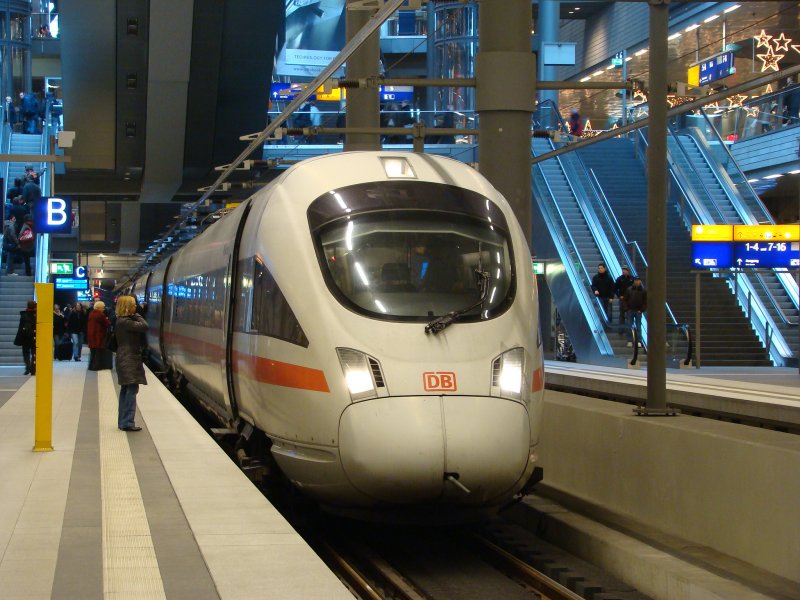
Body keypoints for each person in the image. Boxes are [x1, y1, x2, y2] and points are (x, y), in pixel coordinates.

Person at [114, 295, 149, 432]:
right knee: (131, 390)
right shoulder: (126, 322)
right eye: (133, 305)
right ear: (128, 307)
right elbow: (145, 326)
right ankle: (127, 422)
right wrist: (138, 314)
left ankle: (123, 421)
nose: (136, 307)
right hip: (129, 359)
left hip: (125, 358)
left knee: (126, 389)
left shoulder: (120, 321)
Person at [87, 301, 112, 371]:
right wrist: (107, 320)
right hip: (98, 335)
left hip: (91, 335)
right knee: (97, 353)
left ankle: (91, 366)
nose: (104, 309)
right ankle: (96, 366)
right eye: (103, 307)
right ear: (99, 308)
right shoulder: (100, 314)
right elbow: (107, 323)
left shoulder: (91, 313)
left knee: (93, 352)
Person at [623, 275, 647, 347]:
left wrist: (642, 310)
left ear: (640, 281)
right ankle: (630, 340)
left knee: (638, 326)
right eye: (636, 280)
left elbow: (645, 301)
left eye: (638, 280)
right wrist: (627, 309)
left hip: (638, 311)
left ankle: (638, 341)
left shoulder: (643, 290)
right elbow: (625, 300)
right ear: (634, 281)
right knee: (629, 325)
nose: (637, 281)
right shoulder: (629, 289)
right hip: (630, 310)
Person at [14, 300, 36, 375]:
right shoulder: (37, 315)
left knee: (26, 353)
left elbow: (20, 328)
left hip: (25, 337)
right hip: (34, 336)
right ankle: (33, 369)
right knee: (34, 353)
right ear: (35, 306)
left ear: (27, 306)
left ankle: (28, 367)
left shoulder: (24, 315)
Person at [614, 265, 635, 335]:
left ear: (628, 271)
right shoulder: (619, 279)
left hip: (630, 300)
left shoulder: (632, 279)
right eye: (623, 270)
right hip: (622, 299)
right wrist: (619, 296)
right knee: (621, 315)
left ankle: (629, 331)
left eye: (625, 270)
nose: (623, 271)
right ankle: (621, 330)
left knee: (629, 315)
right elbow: (615, 288)